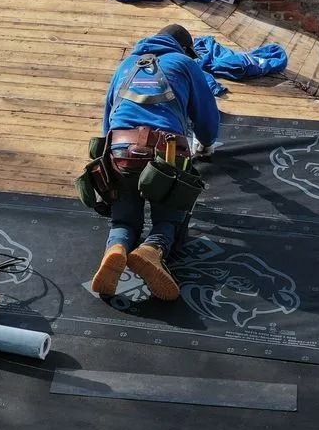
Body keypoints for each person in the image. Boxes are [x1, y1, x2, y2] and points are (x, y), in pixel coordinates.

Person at [88, 23, 222, 301]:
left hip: (119, 149)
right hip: (167, 151)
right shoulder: (185, 63)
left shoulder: (126, 64)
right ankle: (152, 249)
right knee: (169, 221)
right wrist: (206, 144)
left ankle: (116, 249)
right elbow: (207, 118)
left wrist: (111, 160)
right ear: (185, 48)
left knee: (123, 220)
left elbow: (107, 119)